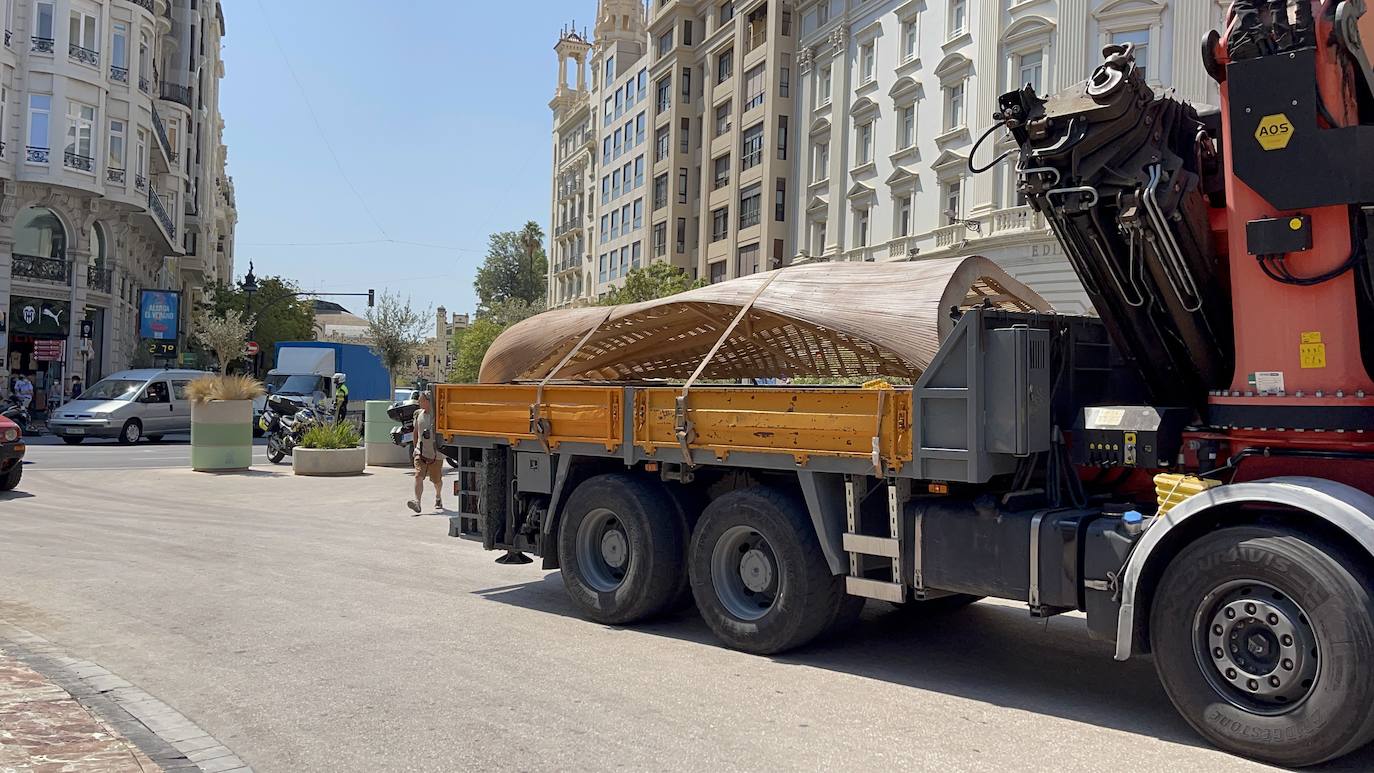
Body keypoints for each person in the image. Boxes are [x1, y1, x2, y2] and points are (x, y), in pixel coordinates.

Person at [406, 390, 443, 515]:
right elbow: (415, 432)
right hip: (421, 452)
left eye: (421, 400)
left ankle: (438, 497)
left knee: (436, 480)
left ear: (428, 401)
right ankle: (417, 502)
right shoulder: (418, 414)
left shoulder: (438, 416)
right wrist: (415, 447)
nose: (419, 402)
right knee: (418, 476)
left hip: (436, 453)